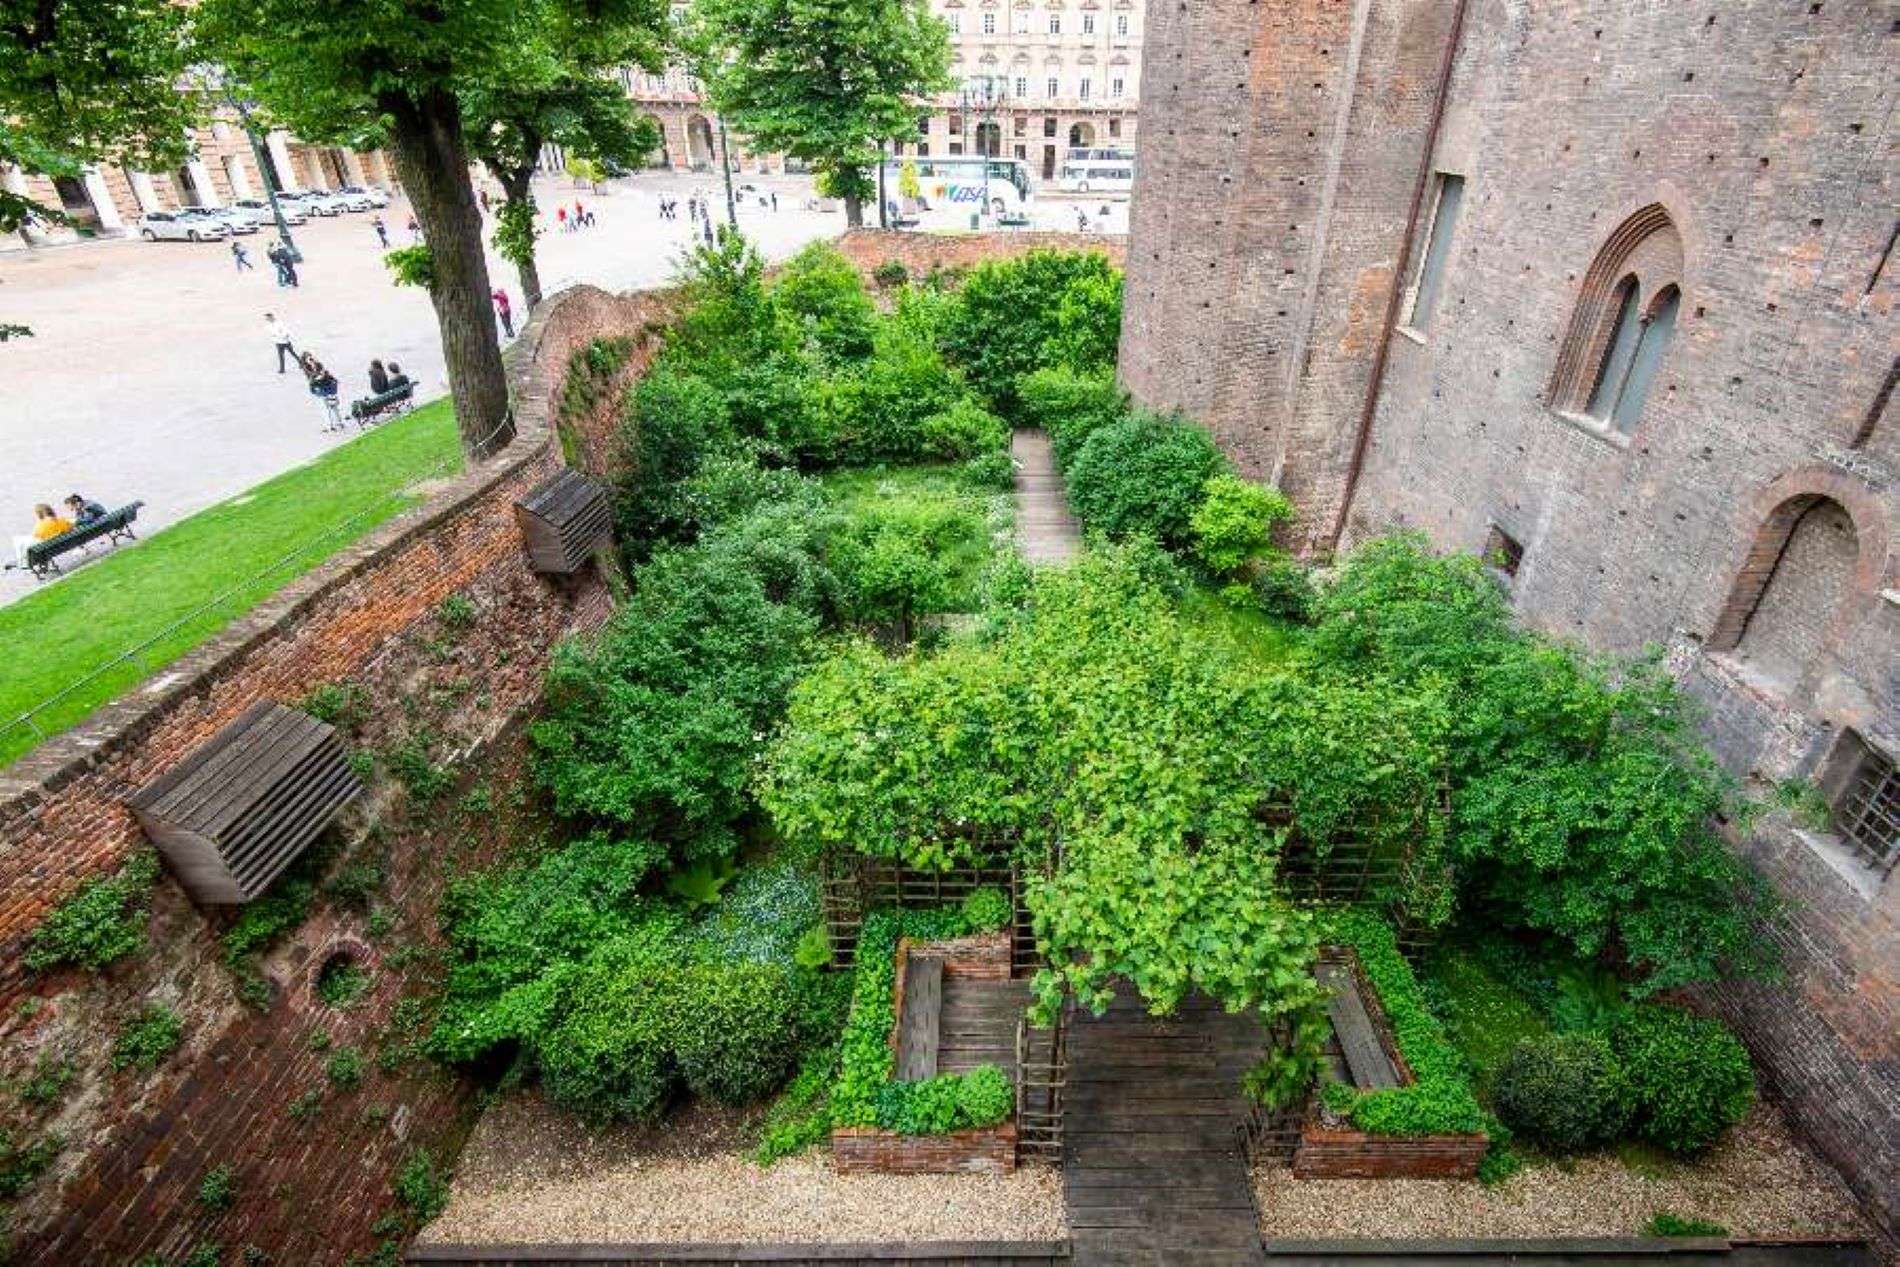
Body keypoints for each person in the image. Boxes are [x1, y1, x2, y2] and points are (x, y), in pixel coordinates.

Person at [12, 504, 74, 568]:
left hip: (45, 547)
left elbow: (36, 535)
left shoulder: (42, 524)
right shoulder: (61, 520)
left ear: (39, 514)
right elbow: (70, 527)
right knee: (22, 541)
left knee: (17, 540)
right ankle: (22, 561)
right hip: (57, 545)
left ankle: (22, 562)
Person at [305, 357, 343, 431]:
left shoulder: (314, 378)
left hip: (323, 395)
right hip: (331, 394)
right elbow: (335, 382)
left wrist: (317, 392)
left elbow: (312, 389)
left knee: (326, 411)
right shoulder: (327, 375)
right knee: (334, 409)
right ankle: (339, 423)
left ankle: (330, 426)